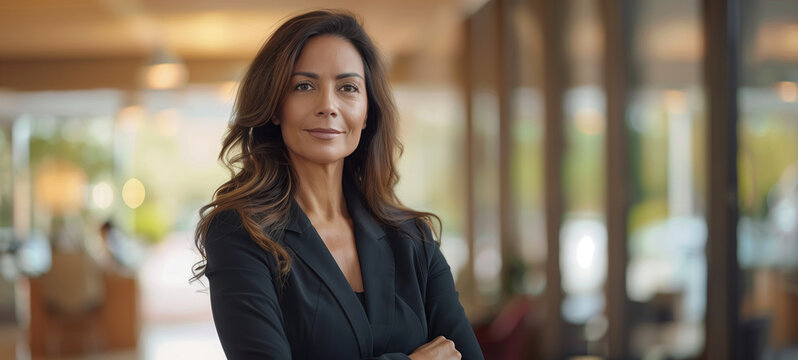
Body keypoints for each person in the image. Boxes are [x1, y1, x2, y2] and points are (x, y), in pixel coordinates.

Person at [192, 9, 484, 360]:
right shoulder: (241, 234)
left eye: (347, 87)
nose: (328, 105)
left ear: (366, 111)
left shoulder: (413, 238)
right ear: (275, 106)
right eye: (304, 86)